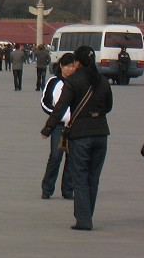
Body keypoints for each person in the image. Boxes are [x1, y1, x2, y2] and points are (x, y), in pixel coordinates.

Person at [42, 45, 113, 231]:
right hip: (101, 133)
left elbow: (61, 107)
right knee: (93, 177)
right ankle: (87, 214)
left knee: (80, 176)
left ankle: (83, 220)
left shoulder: (73, 81)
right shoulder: (103, 81)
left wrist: (48, 128)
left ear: (78, 62)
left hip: (81, 134)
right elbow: (108, 107)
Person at [40, 53, 77, 201]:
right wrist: (57, 115)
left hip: (75, 126)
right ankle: (47, 189)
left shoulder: (78, 82)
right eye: (68, 66)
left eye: (73, 66)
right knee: (56, 157)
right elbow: (45, 102)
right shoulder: (54, 82)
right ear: (61, 66)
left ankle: (68, 190)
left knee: (72, 158)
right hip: (59, 126)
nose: (70, 69)